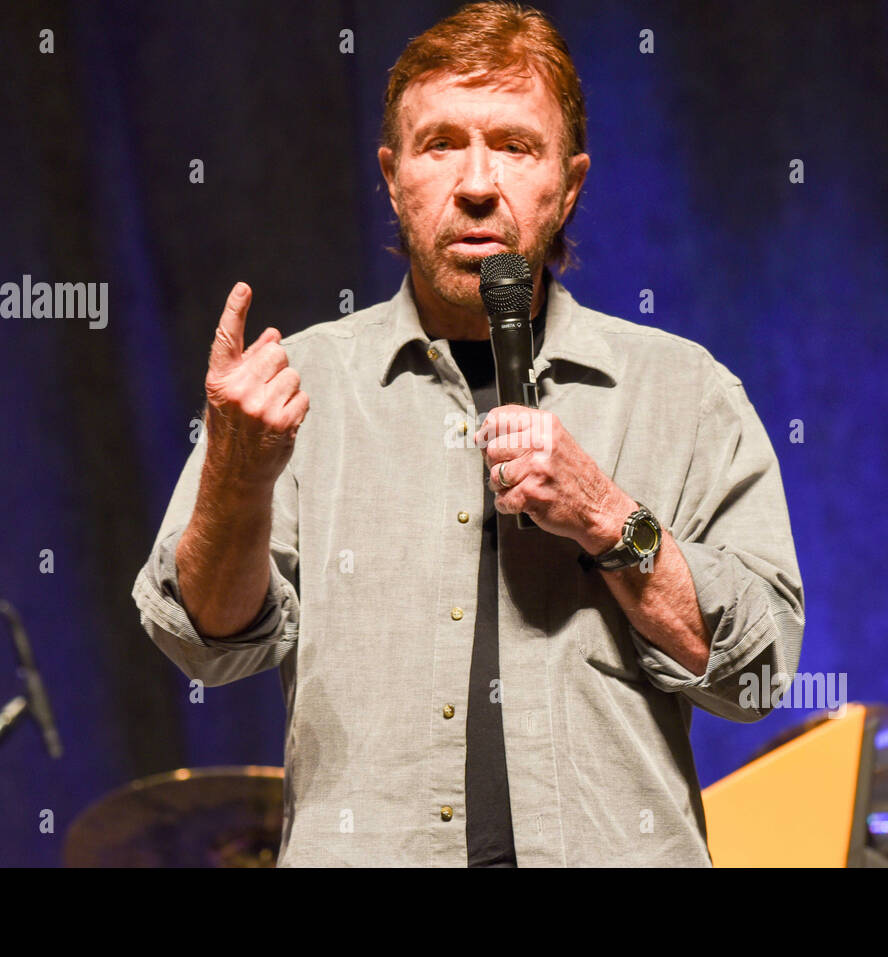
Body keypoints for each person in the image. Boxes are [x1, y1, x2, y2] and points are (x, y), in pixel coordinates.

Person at [132, 1, 803, 867]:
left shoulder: (685, 392)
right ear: (393, 175)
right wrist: (237, 473)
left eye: (516, 147)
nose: (478, 182)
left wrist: (607, 518)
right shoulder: (302, 388)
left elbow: (757, 672)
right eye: (441, 143)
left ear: (569, 184)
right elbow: (203, 644)